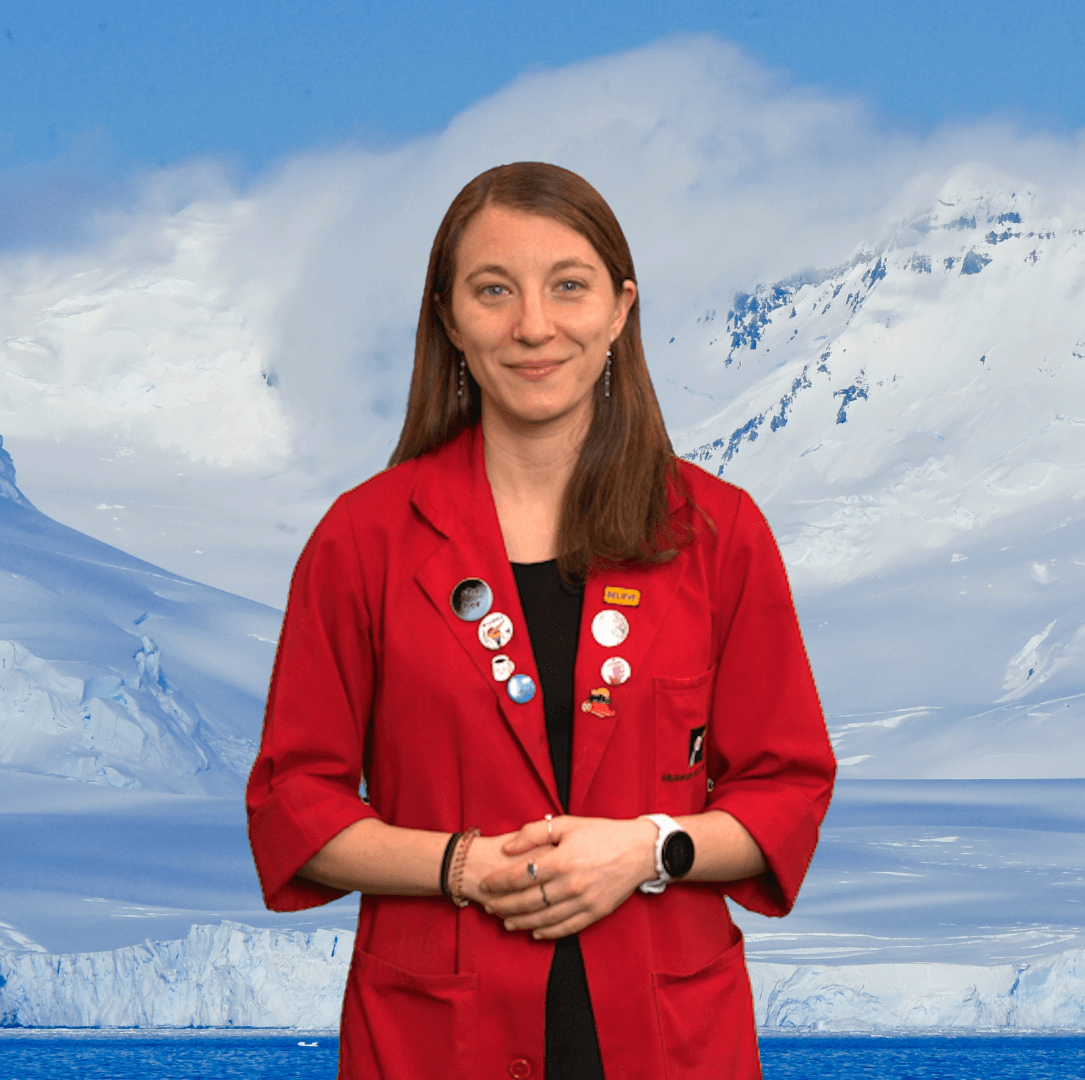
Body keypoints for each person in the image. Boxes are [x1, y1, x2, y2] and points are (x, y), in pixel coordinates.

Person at [245, 161, 836, 1079]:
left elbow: (786, 791)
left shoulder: (719, 534)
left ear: (620, 308)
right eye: (494, 291)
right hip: (431, 1042)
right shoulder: (363, 539)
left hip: (670, 1036)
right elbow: (295, 804)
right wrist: (462, 867)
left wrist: (650, 848)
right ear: (448, 317)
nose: (533, 325)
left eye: (569, 286)